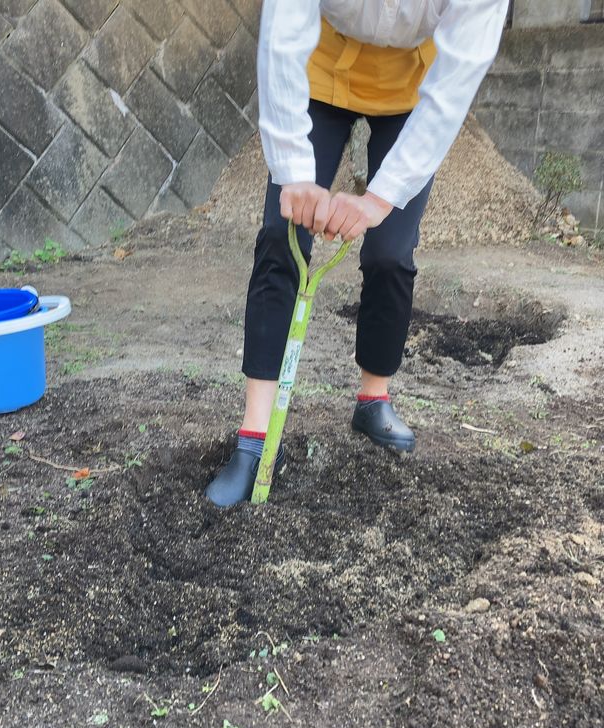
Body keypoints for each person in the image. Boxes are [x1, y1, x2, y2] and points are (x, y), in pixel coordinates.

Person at [206, 0, 509, 507]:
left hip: (415, 89)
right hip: (321, 69)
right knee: (283, 237)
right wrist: (293, 169)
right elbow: (282, 35)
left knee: (390, 252)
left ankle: (373, 398)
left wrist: (379, 198)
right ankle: (254, 439)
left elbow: (452, 90)